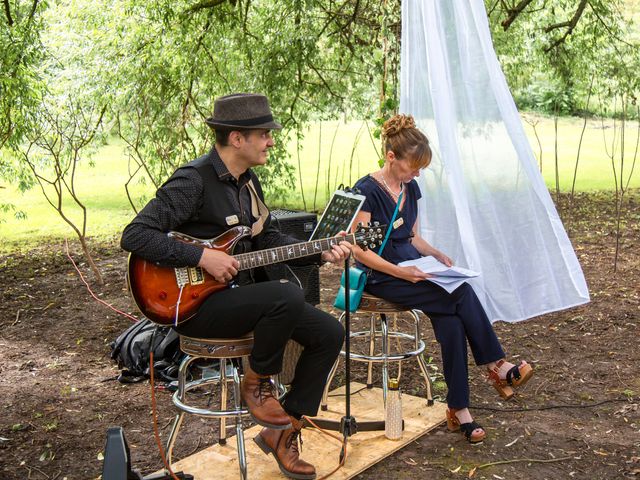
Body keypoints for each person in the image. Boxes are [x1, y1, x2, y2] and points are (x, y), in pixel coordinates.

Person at [121, 93, 350, 479]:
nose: (271, 141)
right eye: (264, 134)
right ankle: (258, 384)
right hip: (196, 307)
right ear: (237, 138)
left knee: (330, 331)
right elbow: (135, 235)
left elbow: (269, 244)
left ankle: (283, 430)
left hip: (240, 301)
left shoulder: (247, 183)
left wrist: (319, 252)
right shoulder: (192, 181)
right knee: (286, 295)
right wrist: (201, 257)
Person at [350, 114, 533, 444]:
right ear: (391, 157)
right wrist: (402, 271)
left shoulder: (411, 187)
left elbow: (412, 237)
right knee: (460, 293)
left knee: (451, 321)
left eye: (420, 168)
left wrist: (436, 254)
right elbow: (360, 251)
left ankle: (459, 410)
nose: (417, 173)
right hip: (381, 275)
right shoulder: (367, 190)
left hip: (414, 268)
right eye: (412, 166)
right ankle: (497, 365)